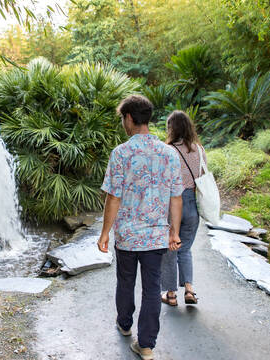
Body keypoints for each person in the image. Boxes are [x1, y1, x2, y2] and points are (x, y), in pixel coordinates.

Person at [97, 95, 184, 360]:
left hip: (127, 236)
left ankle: (125, 325)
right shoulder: (168, 153)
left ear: (130, 119)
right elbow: (176, 197)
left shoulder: (121, 153)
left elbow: (113, 197)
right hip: (156, 235)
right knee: (151, 288)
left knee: (125, 281)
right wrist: (174, 231)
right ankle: (146, 345)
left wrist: (104, 233)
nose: (123, 122)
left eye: (123, 118)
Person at [160, 110, 208, 306]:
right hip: (192, 204)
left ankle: (171, 295)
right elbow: (203, 176)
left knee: (170, 249)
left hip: (173, 205)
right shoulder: (199, 149)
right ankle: (189, 290)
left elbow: (162, 180)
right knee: (185, 249)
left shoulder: (167, 150)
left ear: (172, 128)